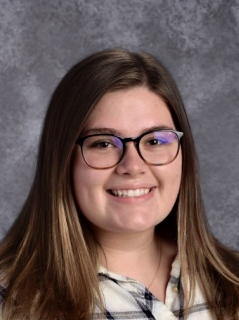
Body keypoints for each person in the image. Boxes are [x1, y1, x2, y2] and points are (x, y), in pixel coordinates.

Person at [0, 48, 239, 320]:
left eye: (155, 141)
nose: (133, 166)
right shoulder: (12, 301)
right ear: (62, 161)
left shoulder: (233, 282)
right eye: (103, 143)